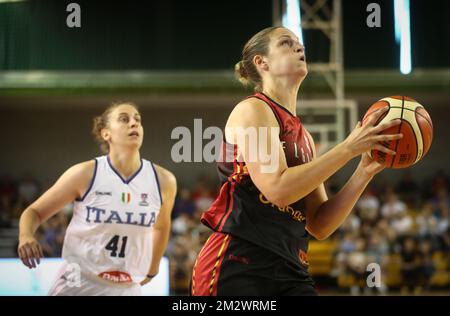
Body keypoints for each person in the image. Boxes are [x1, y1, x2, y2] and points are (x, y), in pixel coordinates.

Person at [191, 26, 403, 296]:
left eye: (299, 44)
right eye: (286, 43)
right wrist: (348, 148)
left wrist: (363, 171)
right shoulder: (253, 109)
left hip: (291, 268)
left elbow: (320, 224)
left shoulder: (306, 139)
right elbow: (277, 189)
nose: (299, 48)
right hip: (239, 261)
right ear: (262, 62)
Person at [17, 102, 177, 295]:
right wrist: (26, 236)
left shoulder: (164, 181)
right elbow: (34, 212)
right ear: (106, 133)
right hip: (78, 282)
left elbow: (161, 226)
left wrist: (152, 270)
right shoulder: (84, 174)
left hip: (126, 287)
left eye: (137, 120)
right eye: (124, 119)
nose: (134, 124)